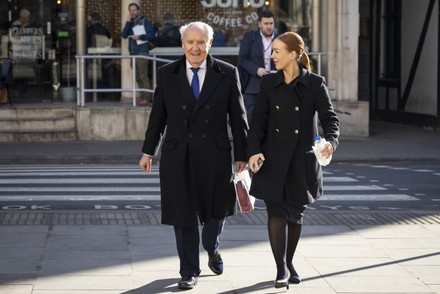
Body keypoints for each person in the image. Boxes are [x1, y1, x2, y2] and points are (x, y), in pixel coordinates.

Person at [138, 21, 248, 290]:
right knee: (183, 213)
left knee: (216, 212)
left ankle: (212, 247)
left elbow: (238, 116)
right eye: (190, 42)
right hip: (178, 155)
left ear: (210, 44)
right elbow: (158, 117)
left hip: (215, 153)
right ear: (183, 44)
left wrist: (242, 156)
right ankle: (188, 270)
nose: (195, 47)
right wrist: (148, 151)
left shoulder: (227, 72)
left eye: (201, 42)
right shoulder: (167, 73)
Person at [247, 32, 340, 289]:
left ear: (293, 54)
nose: (272, 55)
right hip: (272, 158)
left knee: (295, 215)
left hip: (302, 159)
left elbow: (330, 119)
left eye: (277, 51)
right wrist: (253, 150)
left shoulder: (315, 83)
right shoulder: (269, 83)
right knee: (276, 211)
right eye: (272, 50)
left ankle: (289, 262)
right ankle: (281, 269)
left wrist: (331, 142)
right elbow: (258, 122)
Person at [237, 10, 277, 123]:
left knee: (274, 119)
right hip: (254, 85)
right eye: (266, 24)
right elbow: (242, 59)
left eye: (271, 23)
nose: (269, 27)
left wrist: (277, 72)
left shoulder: (280, 38)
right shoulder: (250, 37)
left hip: (275, 84)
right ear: (259, 24)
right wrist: (257, 70)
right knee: (253, 118)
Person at [121, 3, 155, 106]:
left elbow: (151, 35)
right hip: (133, 53)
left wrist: (140, 37)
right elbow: (124, 35)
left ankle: (147, 98)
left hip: (142, 52)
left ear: (138, 10)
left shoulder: (144, 21)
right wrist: (127, 22)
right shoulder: (131, 23)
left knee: (143, 75)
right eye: (131, 11)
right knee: (137, 77)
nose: (132, 12)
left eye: (134, 10)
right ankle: (143, 97)